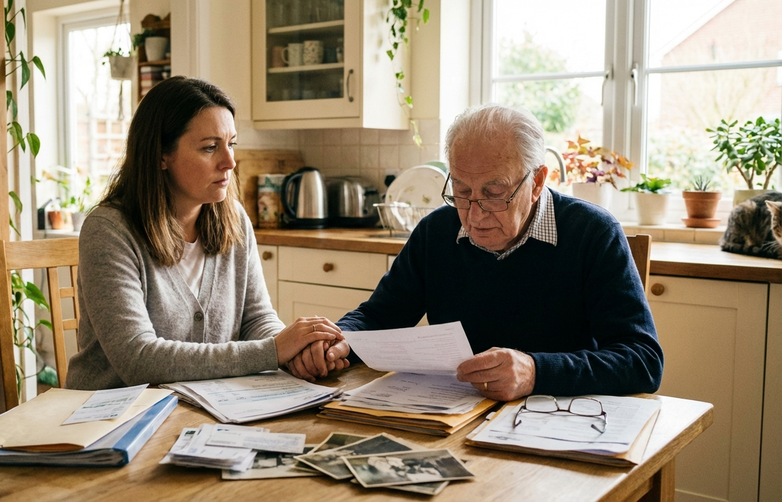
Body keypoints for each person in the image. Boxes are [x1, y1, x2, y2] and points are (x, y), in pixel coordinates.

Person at [336, 103, 663, 401]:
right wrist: (339, 341)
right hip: (454, 416)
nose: (474, 215)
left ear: (536, 182)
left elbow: (642, 360)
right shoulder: (436, 231)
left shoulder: (593, 233)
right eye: (462, 191)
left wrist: (535, 372)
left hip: (558, 420)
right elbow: (379, 317)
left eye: (494, 193)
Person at [66, 76, 348, 390]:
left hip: (202, 409)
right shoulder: (109, 231)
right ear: (161, 154)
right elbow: (138, 359)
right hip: (112, 419)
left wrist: (300, 352)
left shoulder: (235, 220)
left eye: (231, 144)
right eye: (210, 148)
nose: (229, 162)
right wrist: (275, 350)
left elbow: (256, 319)